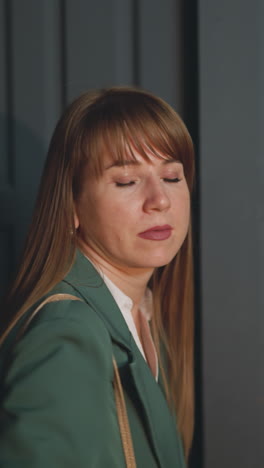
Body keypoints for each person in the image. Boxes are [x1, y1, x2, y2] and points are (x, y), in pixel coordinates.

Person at [0, 86, 195, 467]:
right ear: (72, 204)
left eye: (172, 177)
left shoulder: (143, 313)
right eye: (126, 181)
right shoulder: (67, 333)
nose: (160, 199)